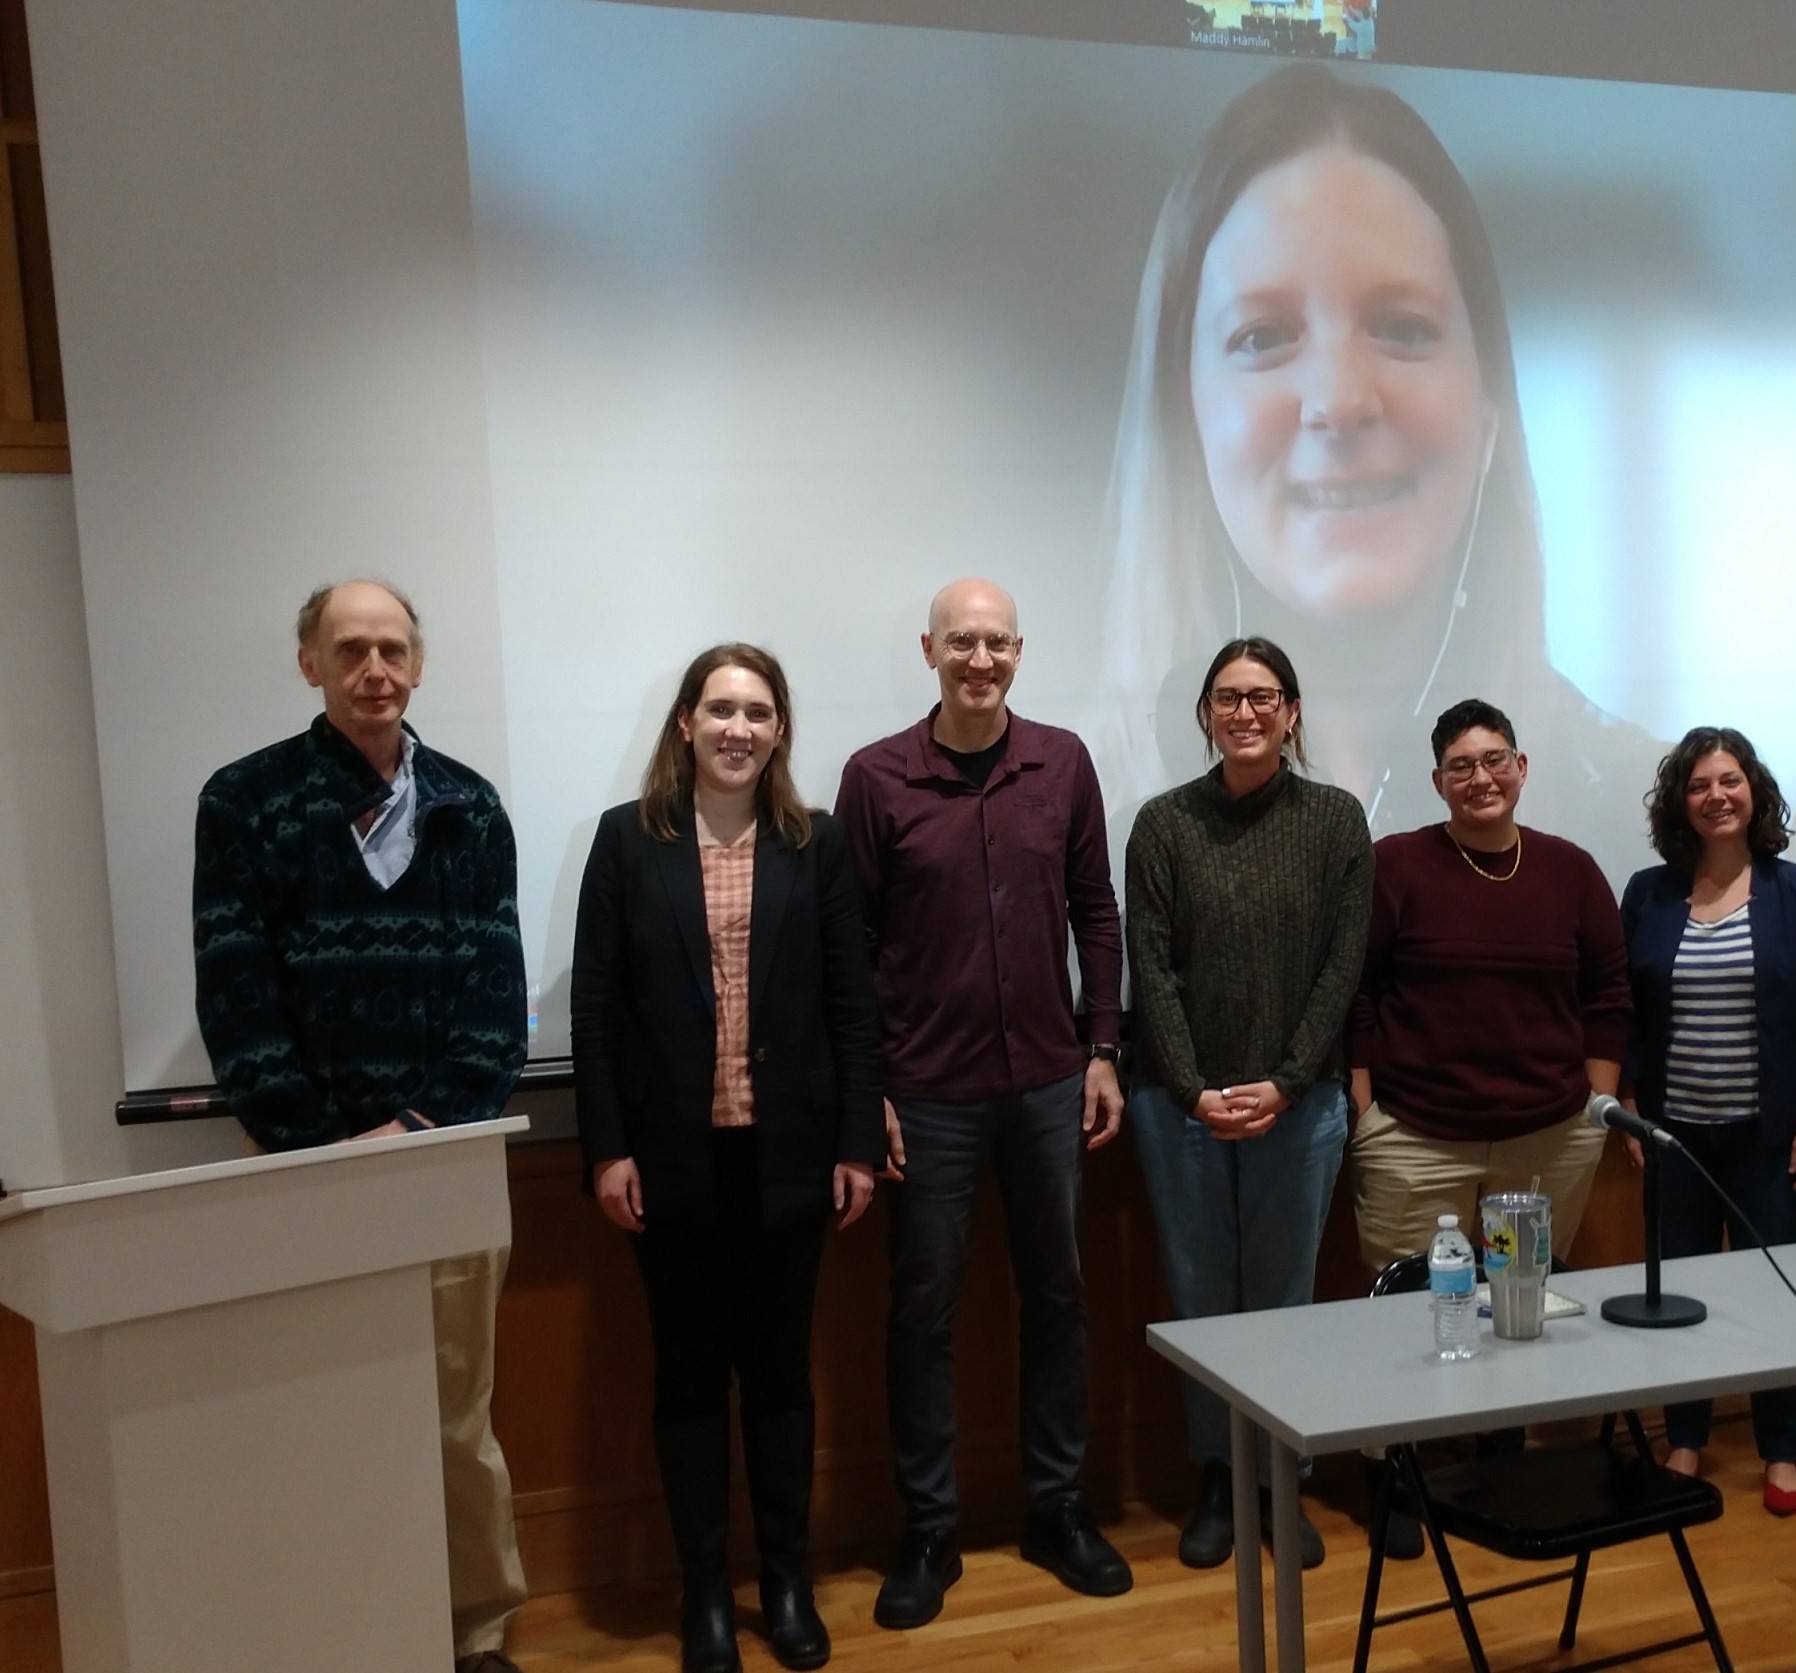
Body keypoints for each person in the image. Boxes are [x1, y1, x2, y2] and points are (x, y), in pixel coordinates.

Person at [1092, 63, 1656, 875]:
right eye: (1261, 337)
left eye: (1401, 326)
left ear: (1487, 411)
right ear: (1186, 425)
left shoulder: (1639, 797)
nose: (1340, 400)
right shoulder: (1096, 835)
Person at [191, 579, 530, 1673]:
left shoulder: (469, 806)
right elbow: (232, 987)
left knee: (452, 1421)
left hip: (443, 1162)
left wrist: (422, 1125)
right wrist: (317, 1149)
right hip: (298, 1170)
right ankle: (334, 1634)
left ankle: (475, 1634)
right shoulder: (245, 802)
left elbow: (497, 993)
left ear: (418, 665)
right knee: (308, 1422)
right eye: (350, 650)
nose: (374, 668)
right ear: (310, 665)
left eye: (392, 649)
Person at [571, 645, 881, 1672]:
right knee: (691, 1379)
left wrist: (854, 1144)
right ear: (685, 724)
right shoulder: (626, 841)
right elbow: (597, 1008)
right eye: (720, 708)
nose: (737, 727)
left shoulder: (815, 841)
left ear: (779, 729)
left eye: (757, 710)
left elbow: (852, 1002)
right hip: (671, 1163)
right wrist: (607, 1144)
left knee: (782, 1377)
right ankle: (704, 1593)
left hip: (790, 1157)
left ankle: (784, 1583)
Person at [833, 579, 1131, 1628]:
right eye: (960, 640)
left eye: (996, 641)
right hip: (927, 1092)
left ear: (1019, 650)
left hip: (1051, 1080)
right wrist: (865, 1086)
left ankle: (1055, 1506)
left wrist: (1102, 1047)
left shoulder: (1062, 762)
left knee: (1057, 1298)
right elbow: (851, 950)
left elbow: (1096, 911)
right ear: (927, 648)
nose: (979, 657)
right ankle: (926, 1528)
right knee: (923, 1314)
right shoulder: (874, 778)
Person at [1345, 696, 1629, 1554]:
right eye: (1462, 766)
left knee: (1517, 1307)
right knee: (1406, 1313)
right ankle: (1396, 1474)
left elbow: (1608, 995)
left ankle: (1501, 1462)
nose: (1482, 777)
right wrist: (1368, 1112)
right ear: (1437, 781)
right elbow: (1356, 992)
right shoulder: (1395, 865)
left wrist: (1595, 1106)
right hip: (1418, 1136)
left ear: (1523, 767)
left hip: (1546, 1140)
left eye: (1496, 759)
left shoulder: (1570, 870)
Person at [1125, 635, 1372, 1571]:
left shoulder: (1338, 820)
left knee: (1284, 1301)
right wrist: (1194, 1090)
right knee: (1201, 1302)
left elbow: (1340, 967)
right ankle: (1218, 1482)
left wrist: (1288, 1079)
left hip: (1297, 1107)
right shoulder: (1162, 824)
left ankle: (1281, 1481)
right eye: (1227, 697)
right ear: (1205, 714)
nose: (1246, 712)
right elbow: (1149, 968)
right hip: (1177, 1108)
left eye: (1264, 696)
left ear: (1293, 712)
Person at [1620, 726, 1796, 1516]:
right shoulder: (1648, 893)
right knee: (1677, 1289)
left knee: (1774, 1290)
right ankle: (1685, 1435)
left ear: (1755, 791)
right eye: (1698, 785)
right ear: (1680, 804)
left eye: (1730, 780)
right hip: (1674, 1137)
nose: (1716, 795)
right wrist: (1633, 1114)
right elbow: (1631, 1013)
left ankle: (1780, 1449)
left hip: (1771, 1134)